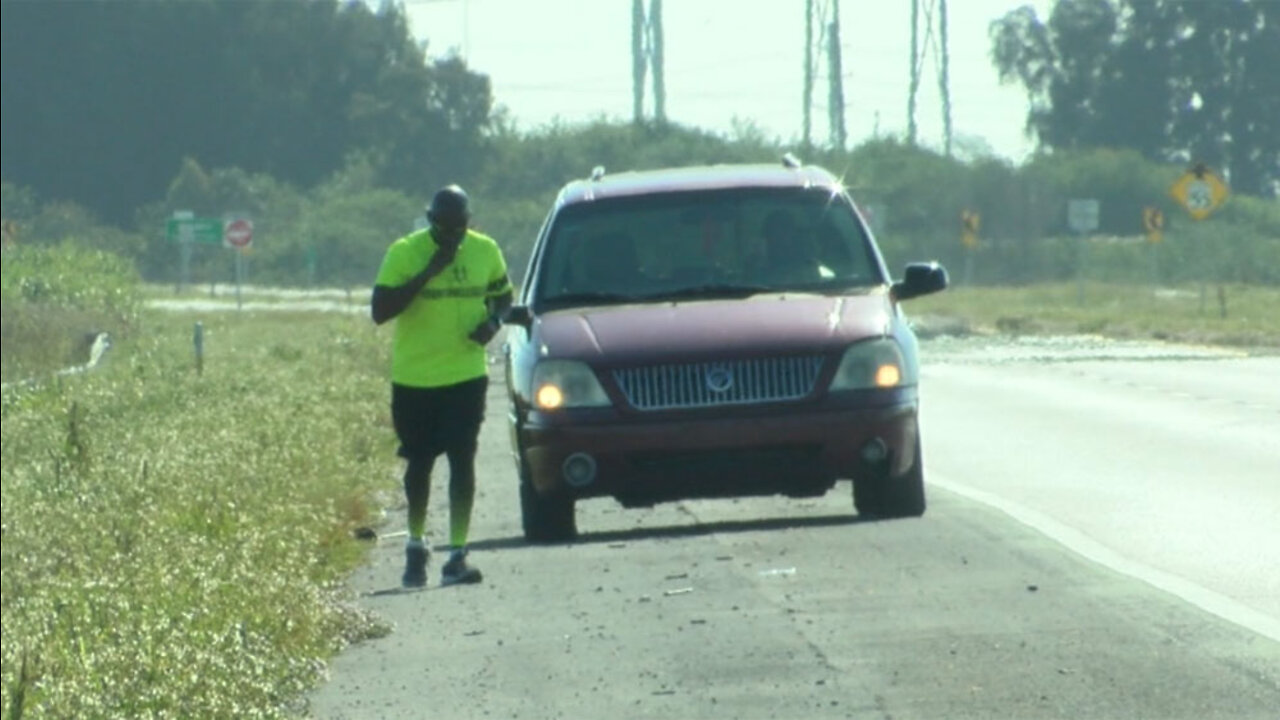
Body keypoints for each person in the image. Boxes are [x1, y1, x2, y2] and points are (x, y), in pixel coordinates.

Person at [371, 184, 513, 588]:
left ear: (470, 222)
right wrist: (429, 270)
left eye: (459, 228)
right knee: (419, 463)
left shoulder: (486, 250)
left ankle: (457, 554)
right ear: (430, 221)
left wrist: (493, 323)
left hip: (465, 375)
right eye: (443, 228)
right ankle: (415, 547)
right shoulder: (404, 252)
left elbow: (503, 298)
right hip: (415, 378)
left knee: (462, 459)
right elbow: (380, 311)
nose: (452, 236)